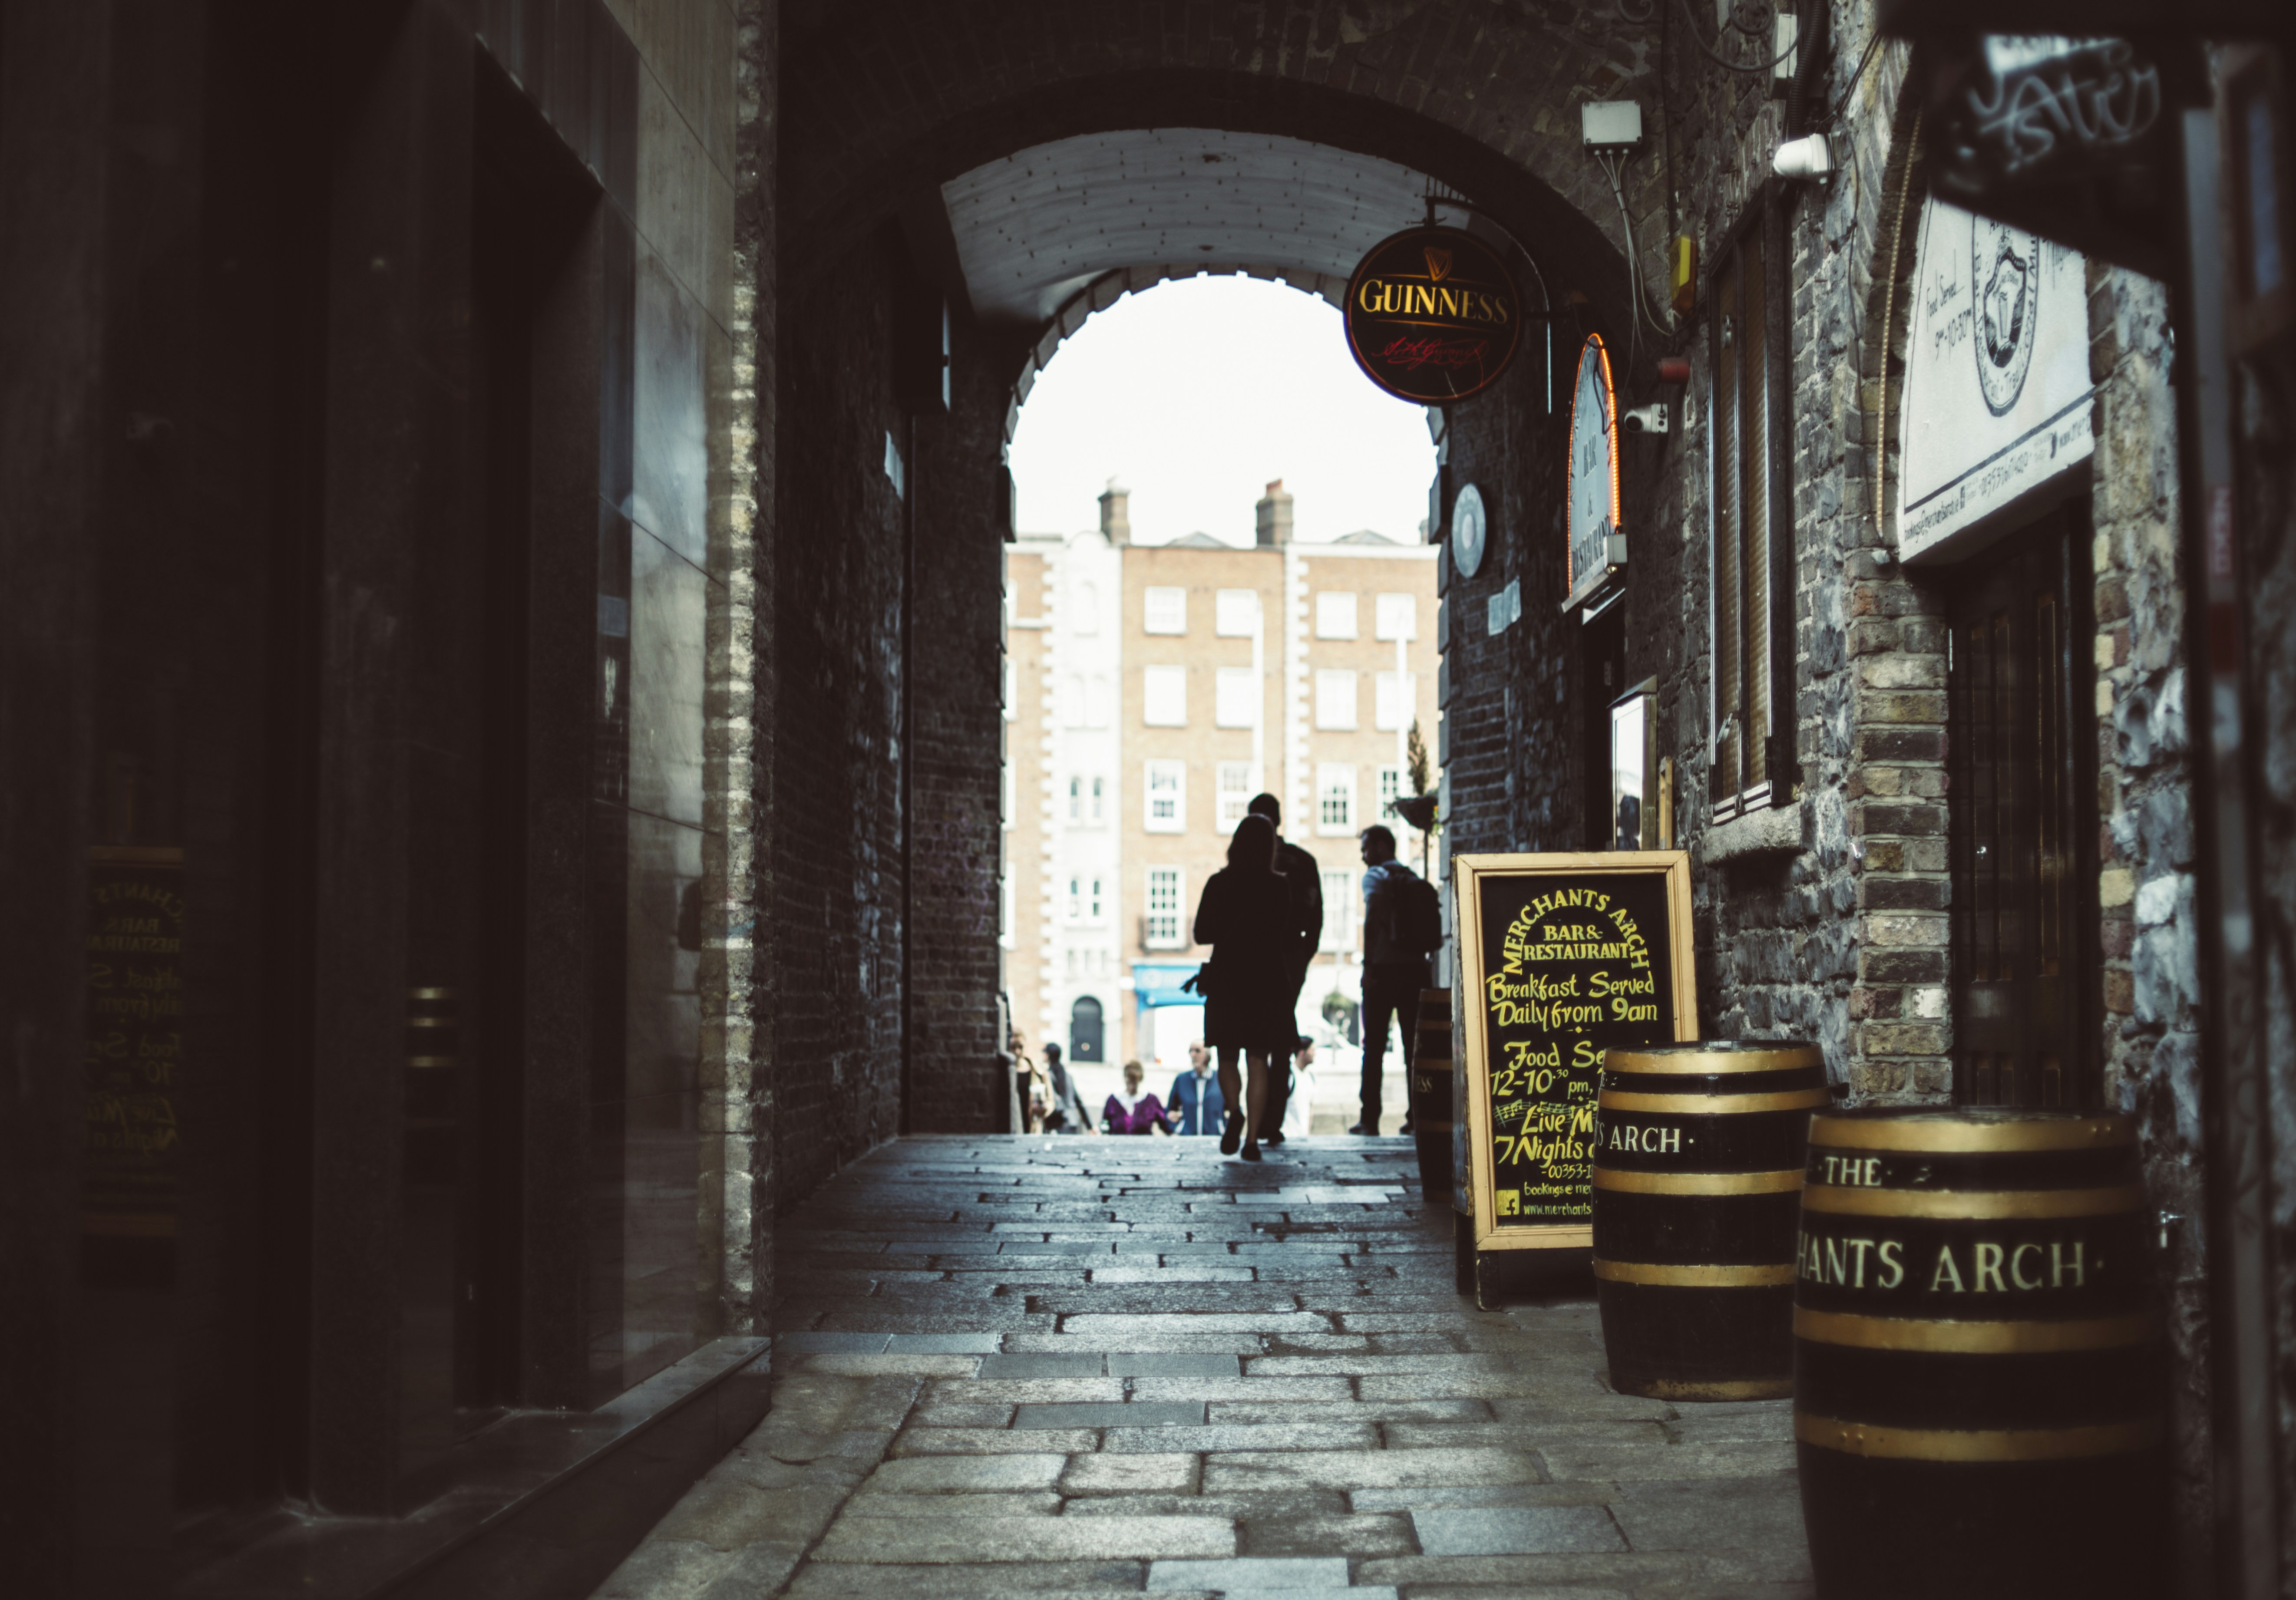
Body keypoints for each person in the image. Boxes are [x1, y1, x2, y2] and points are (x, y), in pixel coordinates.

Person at [1192, 813, 1298, 1161]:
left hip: (1227, 978)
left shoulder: (1218, 883)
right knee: (1258, 1059)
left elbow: (1201, 934)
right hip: (1266, 980)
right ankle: (1252, 1141)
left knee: (1226, 1055)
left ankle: (1234, 1111)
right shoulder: (1279, 885)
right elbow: (1284, 932)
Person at [1246, 794, 1321, 1144]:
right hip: (1289, 957)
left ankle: (1257, 1121)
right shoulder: (1302, 861)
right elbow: (1315, 916)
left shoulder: (1244, 863)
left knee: (1255, 1041)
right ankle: (1271, 1121)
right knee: (1278, 1039)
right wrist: (1303, 956)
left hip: (1258, 957)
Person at [1354, 824, 1437, 1135]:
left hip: (1384, 970)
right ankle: (1416, 1116)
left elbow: (1373, 917)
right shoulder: (1413, 877)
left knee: (1373, 1046)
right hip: (1417, 970)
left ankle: (1369, 1119)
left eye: (1366, 848)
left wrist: (1368, 965)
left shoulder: (1376, 876)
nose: (1363, 856)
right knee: (1412, 1047)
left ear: (1380, 847)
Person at [1167, 1039, 1225, 1135]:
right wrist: (1177, 1128)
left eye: (1198, 1051)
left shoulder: (1220, 1079)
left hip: (1214, 1139)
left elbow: (1235, 1109)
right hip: (1188, 1138)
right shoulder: (1182, 1080)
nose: (1193, 1055)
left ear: (1207, 1056)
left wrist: (1223, 1129)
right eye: (1191, 1051)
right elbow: (1170, 1110)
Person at [1103, 1059, 1173, 1135]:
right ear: (1125, 1078)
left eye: (1135, 1083)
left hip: (1144, 1145)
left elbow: (1165, 1125)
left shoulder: (1151, 1101)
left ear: (1140, 1080)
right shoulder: (1114, 1100)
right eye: (1129, 1083)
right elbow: (1105, 1126)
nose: (1132, 1087)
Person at [1040, 1041, 1093, 1135]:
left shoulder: (1047, 1075)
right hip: (1072, 1122)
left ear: (1048, 1055)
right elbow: (1079, 1102)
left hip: (1057, 1124)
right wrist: (1090, 1126)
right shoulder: (1068, 1076)